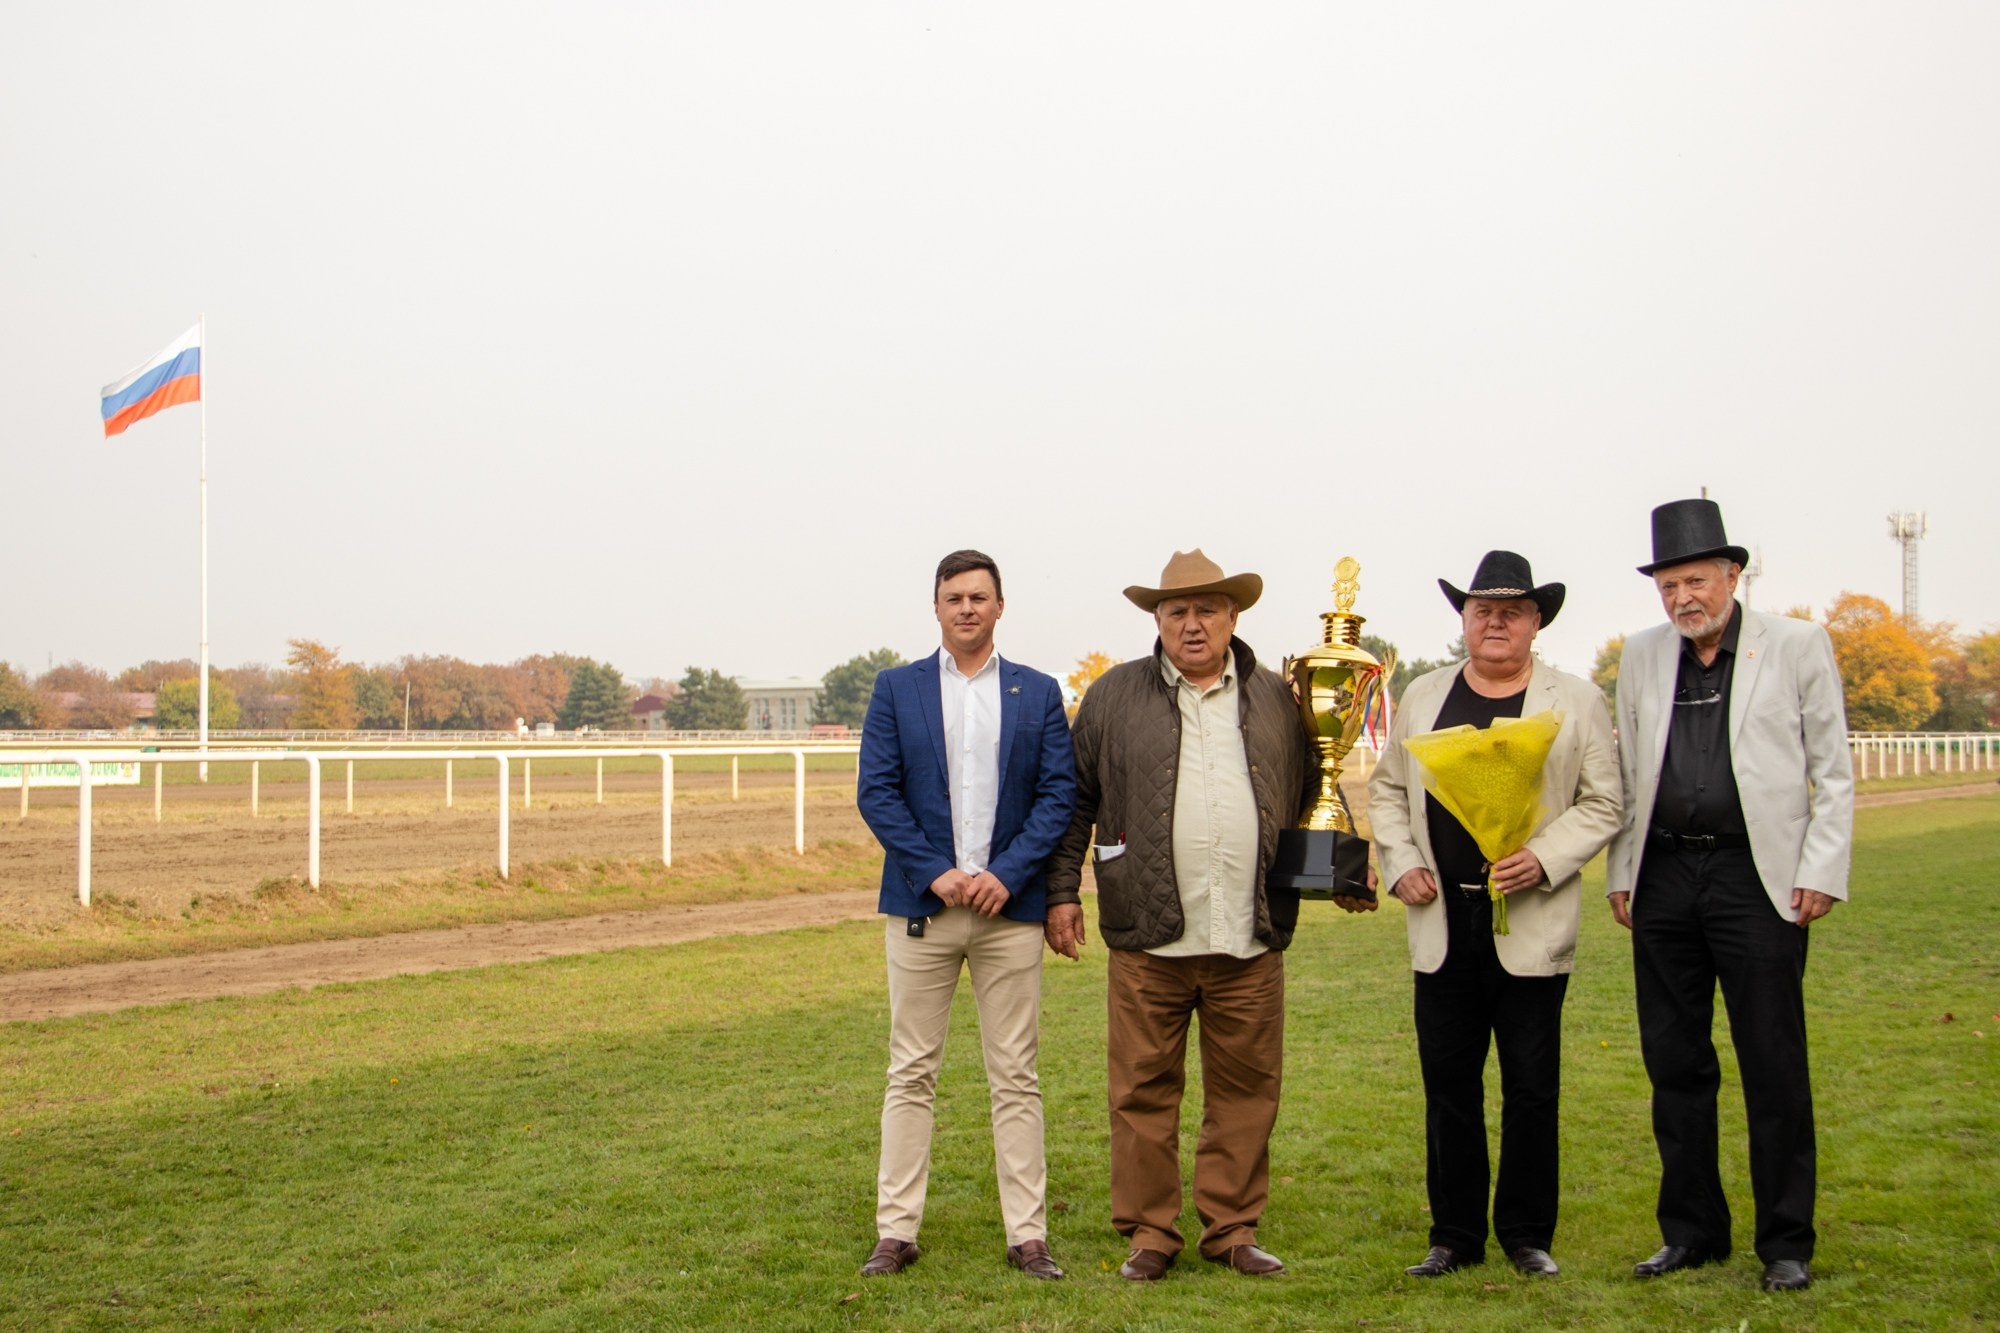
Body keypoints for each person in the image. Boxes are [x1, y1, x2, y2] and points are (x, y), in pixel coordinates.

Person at [1047, 548, 1341, 1282]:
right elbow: (1076, 800)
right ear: (1157, 619)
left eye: (1207, 608)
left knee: (1247, 1091)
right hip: (1148, 935)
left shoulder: (1279, 696)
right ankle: (1150, 1231)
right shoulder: (1111, 695)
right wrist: (1059, 892)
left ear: (1233, 616)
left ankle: (1232, 1227)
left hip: (1249, 934)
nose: (1193, 623)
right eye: (1177, 610)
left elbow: (1313, 790)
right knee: (1141, 1092)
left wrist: (1340, 869)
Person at [1606, 499, 1853, 1293]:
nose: (1684, 598)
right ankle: (1692, 1231)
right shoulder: (1642, 656)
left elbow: (1833, 769)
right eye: (1670, 584)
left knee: (1772, 1061)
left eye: (1697, 580)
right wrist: (1622, 873)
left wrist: (1820, 867)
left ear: (1732, 575)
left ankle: (1785, 1239)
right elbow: (1629, 777)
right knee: (1674, 1060)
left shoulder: (1797, 644)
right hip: (1667, 875)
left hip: (1760, 876)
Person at [1368, 551, 1622, 1280]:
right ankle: (1452, 1234)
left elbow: (1604, 802)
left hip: (1531, 921)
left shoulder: (1574, 698)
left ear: (1536, 621)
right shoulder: (1423, 695)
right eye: (1483, 609)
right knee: (1448, 1084)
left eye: (1512, 610)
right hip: (1443, 919)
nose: (1496, 621)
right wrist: (1403, 859)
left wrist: (1544, 857)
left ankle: (1525, 1232)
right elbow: (1388, 791)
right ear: (1464, 619)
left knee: (1532, 1086)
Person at [854, 549, 1078, 1280]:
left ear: (1000, 605)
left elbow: (1057, 796)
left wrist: (1007, 875)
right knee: (910, 1069)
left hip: (1009, 912)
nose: (967, 608)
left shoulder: (1039, 692)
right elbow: (877, 792)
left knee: (1016, 1074)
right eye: (954, 596)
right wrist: (939, 871)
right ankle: (896, 1230)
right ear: (937, 606)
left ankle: (1029, 1235)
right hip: (924, 907)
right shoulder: (897, 688)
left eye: (979, 596)